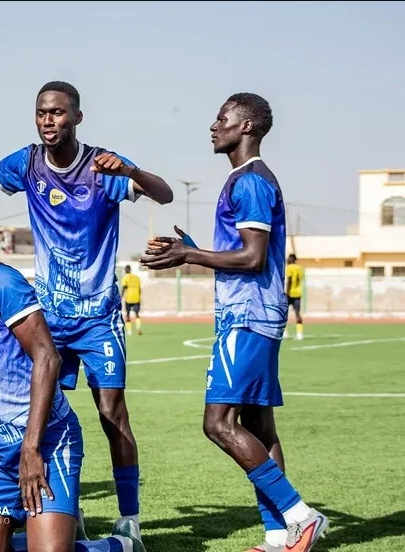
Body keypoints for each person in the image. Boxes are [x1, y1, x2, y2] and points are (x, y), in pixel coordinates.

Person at [0, 81, 174, 548]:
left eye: (58, 113)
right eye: (42, 113)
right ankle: (63, 505)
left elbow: (164, 194)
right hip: (48, 313)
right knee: (21, 390)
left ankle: (130, 520)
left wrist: (130, 169)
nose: (48, 120)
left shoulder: (103, 166)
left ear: (77, 118)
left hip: (98, 315)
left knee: (111, 412)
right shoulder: (26, 162)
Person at [140, 93, 329, 552]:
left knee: (218, 423)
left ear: (246, 127)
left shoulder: (251, 182)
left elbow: (252, 256)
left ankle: (301, 515)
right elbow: (245, 253)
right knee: (259, 427)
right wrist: (198, 248)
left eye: (222, 118)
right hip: (255, 313)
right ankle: (280, 535)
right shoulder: (246, 180)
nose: (213, 125)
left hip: (247, 317)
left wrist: (189, 255)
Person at [0, 200, 137, 552]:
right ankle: (65, 530)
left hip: (47, 443)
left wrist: (32, 446)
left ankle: (119, 546)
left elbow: (48, 357)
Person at [284, 254, 304, 340]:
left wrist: (287, 292)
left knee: (283, 314)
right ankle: (299, 334)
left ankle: (285, 333)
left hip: (290, 293)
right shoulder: (299, 268)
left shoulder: (289, 268)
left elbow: (290, 280)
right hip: (298, 293)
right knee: (297, 313)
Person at [120, 266, 142, 336]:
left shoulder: (125, 277)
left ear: (125, 270)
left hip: (129, 297)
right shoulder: (136, 277)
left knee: (128, 314)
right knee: (137, 313)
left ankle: (129, 331)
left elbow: (124, 287)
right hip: (136, 297)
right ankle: (138, 327)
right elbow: (139, 288)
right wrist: (139, 296)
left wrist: (121, 296)